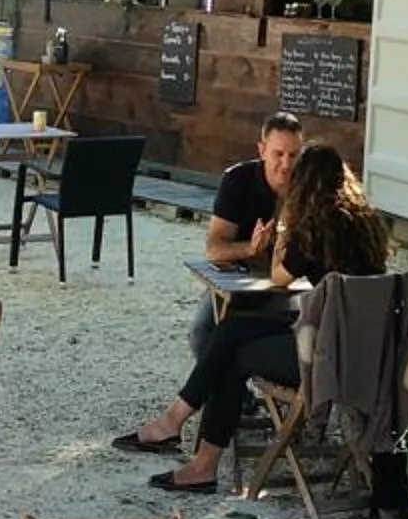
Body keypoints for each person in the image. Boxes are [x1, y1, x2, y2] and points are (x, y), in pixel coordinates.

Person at [119, 145, 390, 493]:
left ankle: (199, 463)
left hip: (325, 359)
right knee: (232, 329)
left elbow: (278, 277)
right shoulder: (366, 224)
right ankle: (172, 423)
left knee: (231, 358)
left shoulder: (315, 227)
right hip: (363, 354)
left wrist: (282, 228)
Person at [184, 112, 306, 357]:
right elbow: (214, 249)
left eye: (294, 155)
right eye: (278, 154)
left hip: (291, 284)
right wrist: (249, 249)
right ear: (261, 151)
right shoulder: (237, 180)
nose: (286, 164)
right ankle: (228, 395)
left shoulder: (309, 186)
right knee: (202, 332)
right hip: (240, 280)